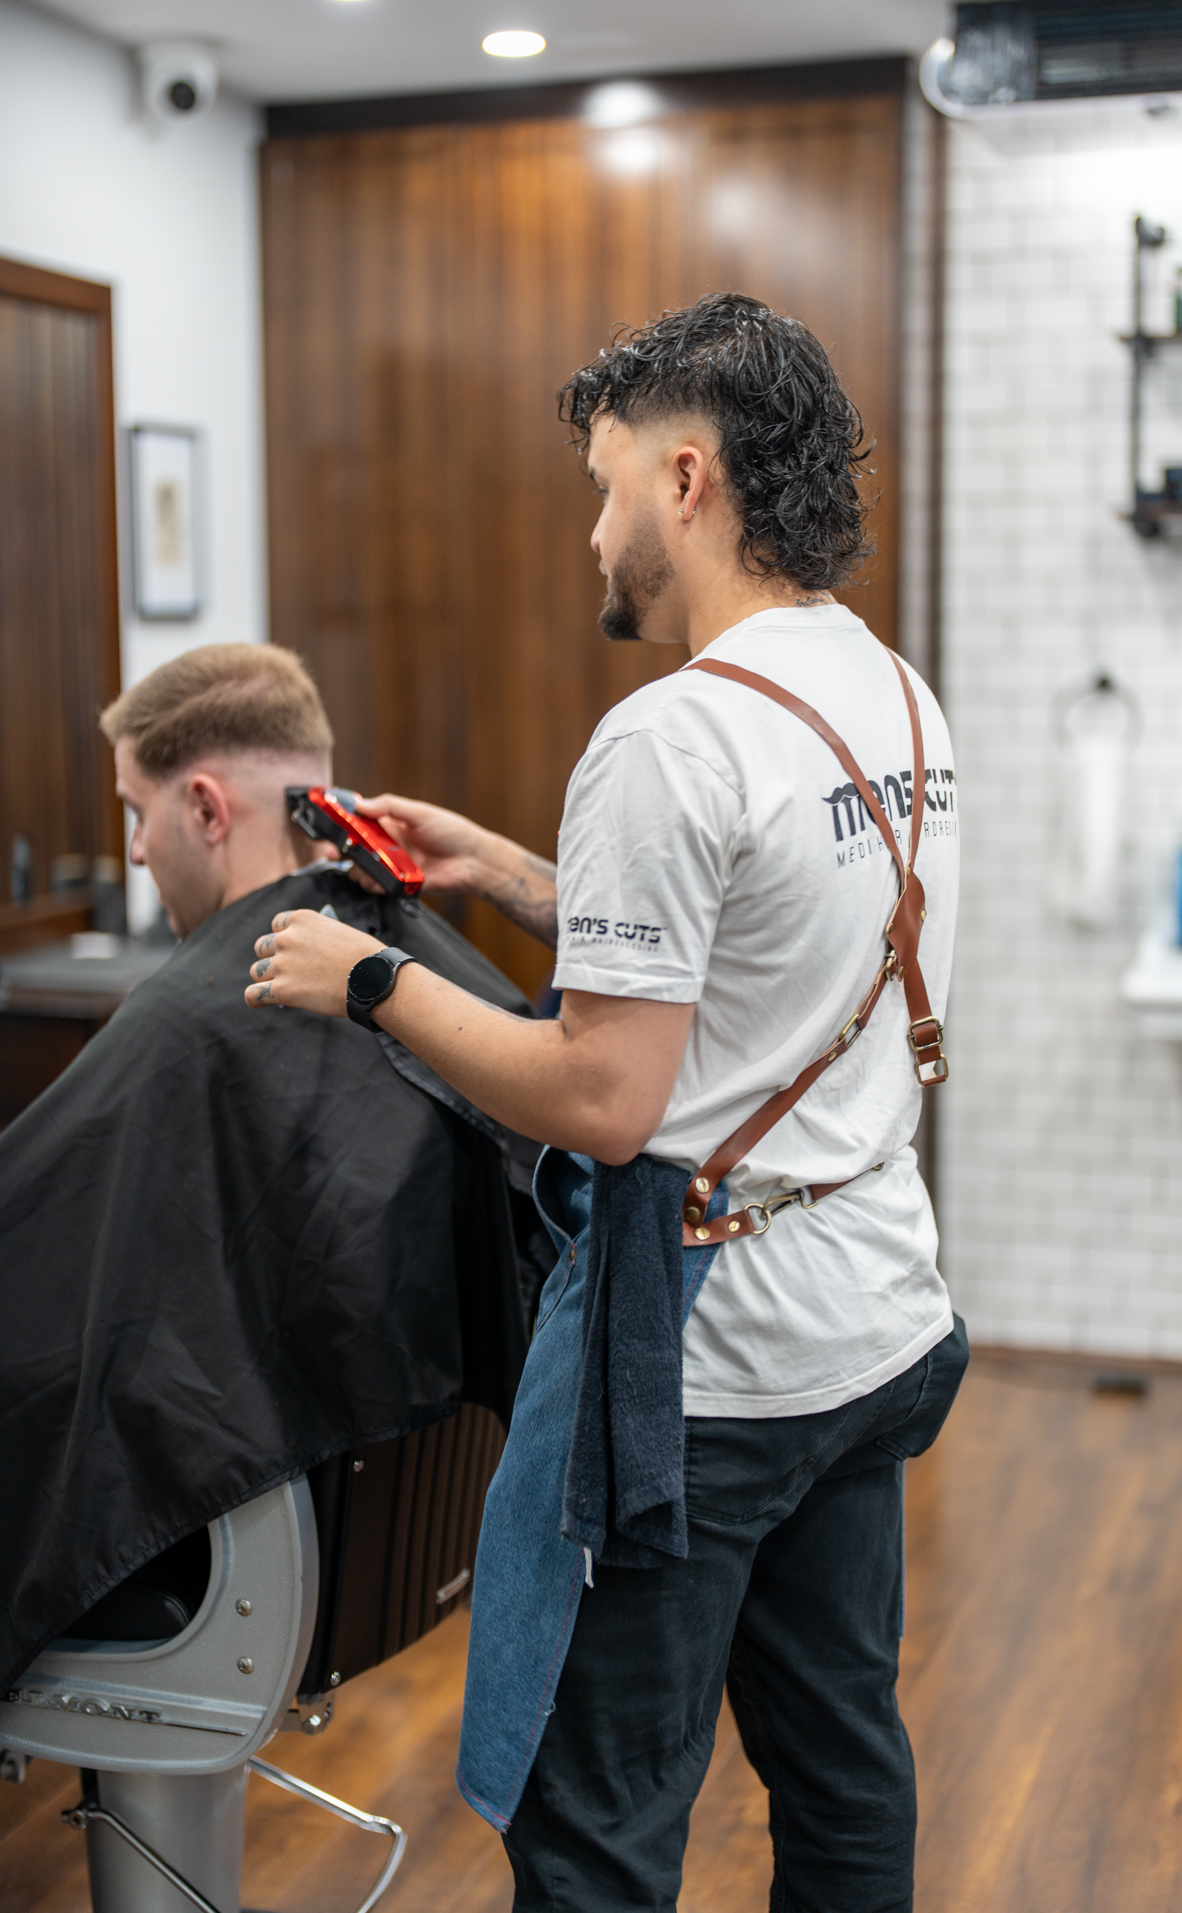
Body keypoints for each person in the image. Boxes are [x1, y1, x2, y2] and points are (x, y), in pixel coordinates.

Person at [243, 294, 968, 1913]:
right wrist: (499, 873)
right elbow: (755, 952)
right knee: (845, 1768)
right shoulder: (891, 697)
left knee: (599, 1827)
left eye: (606, 483)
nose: (595, 532)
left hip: (707, 1376)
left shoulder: (673, 735)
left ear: (688, 479)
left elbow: (605, 1097)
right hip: (873, 1327)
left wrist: (369, 982)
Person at [0, 642, 539, 1811]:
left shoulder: (207, 1021)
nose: (135, 850)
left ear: (204, 804)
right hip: (354, 1545)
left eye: (137, 814)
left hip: (218, 1562)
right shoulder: (422, 972)